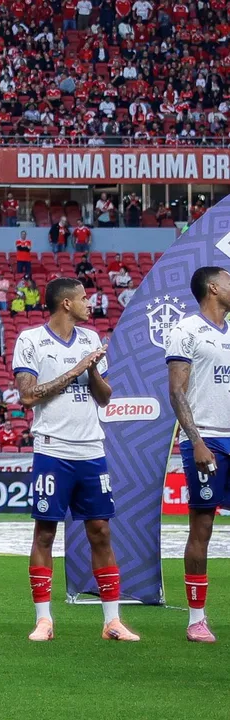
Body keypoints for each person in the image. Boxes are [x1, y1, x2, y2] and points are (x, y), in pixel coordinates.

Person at [13, 277, 137, 642]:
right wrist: (74, 370)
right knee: (46, 532)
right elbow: (27, 396)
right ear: (65, 303)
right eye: (83, 298)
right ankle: (44, 620)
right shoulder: (31, 340)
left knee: (101, 531)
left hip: (91, 449)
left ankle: (112, 621)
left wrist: (93, 369)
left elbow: (104, 398)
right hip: (52, 449)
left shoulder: (91, 339)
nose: (90, 302)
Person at [165, 267, 230, 643]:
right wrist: (197, 440)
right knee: (202, 527)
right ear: (213, 288)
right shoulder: (186, 329)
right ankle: (196, 619)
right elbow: (177, 391)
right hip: (207, 440)